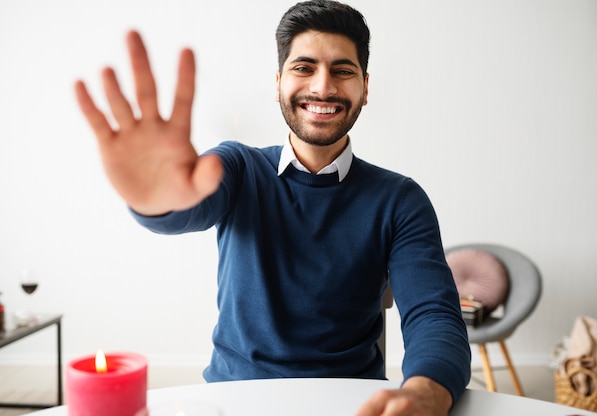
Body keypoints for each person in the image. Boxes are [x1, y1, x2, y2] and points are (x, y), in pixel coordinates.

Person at [75, 0, 471, 414]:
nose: (322, 87)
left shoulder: (400, 199)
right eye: (304, 68)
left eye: (342, 70)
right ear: (279, 81)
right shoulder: (238, 167)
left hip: (352, 404)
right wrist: (153, 199)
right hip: (234, 400)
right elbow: (184, 209)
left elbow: (434, 315)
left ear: (365, 87)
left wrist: (425, 391)